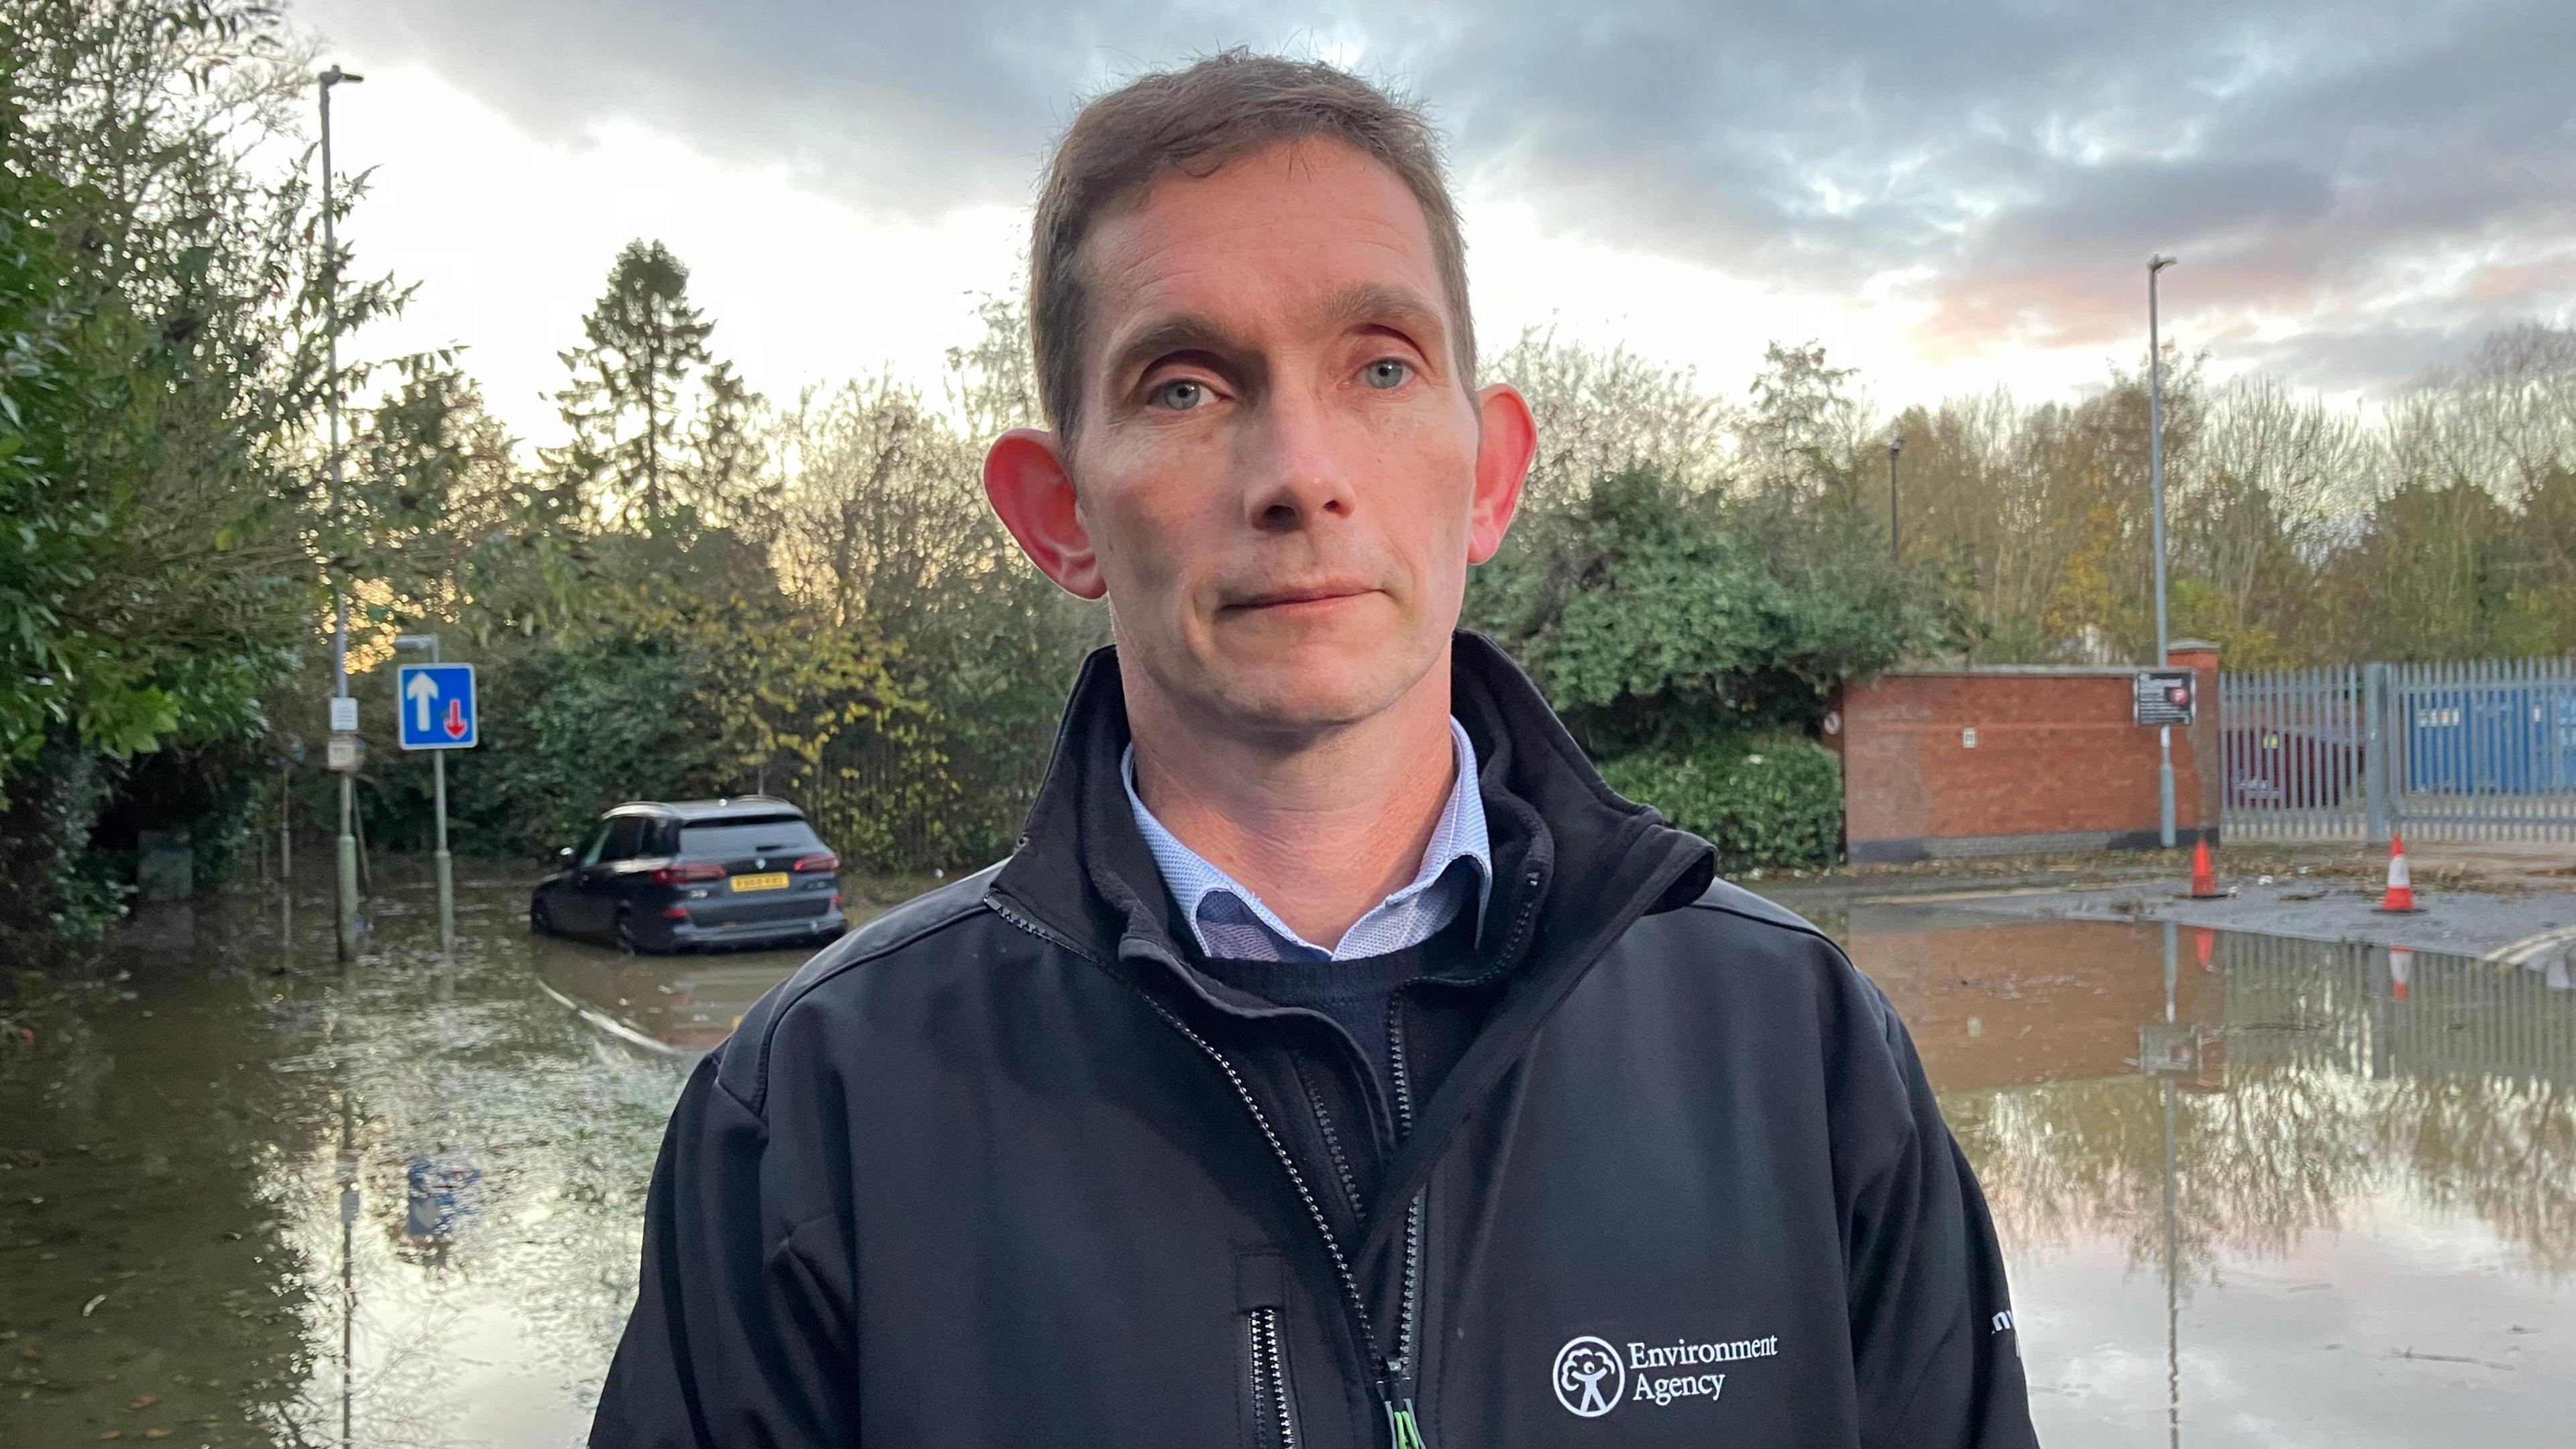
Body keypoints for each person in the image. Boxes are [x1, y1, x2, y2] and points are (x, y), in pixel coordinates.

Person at [592, 50, 2037, 1448]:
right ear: (1060, 514)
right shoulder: (815, 1114)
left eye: (1383, 367)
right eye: (1186, 386)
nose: (1301, 475)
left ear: (1492, 475)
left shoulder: (1802, 1049)